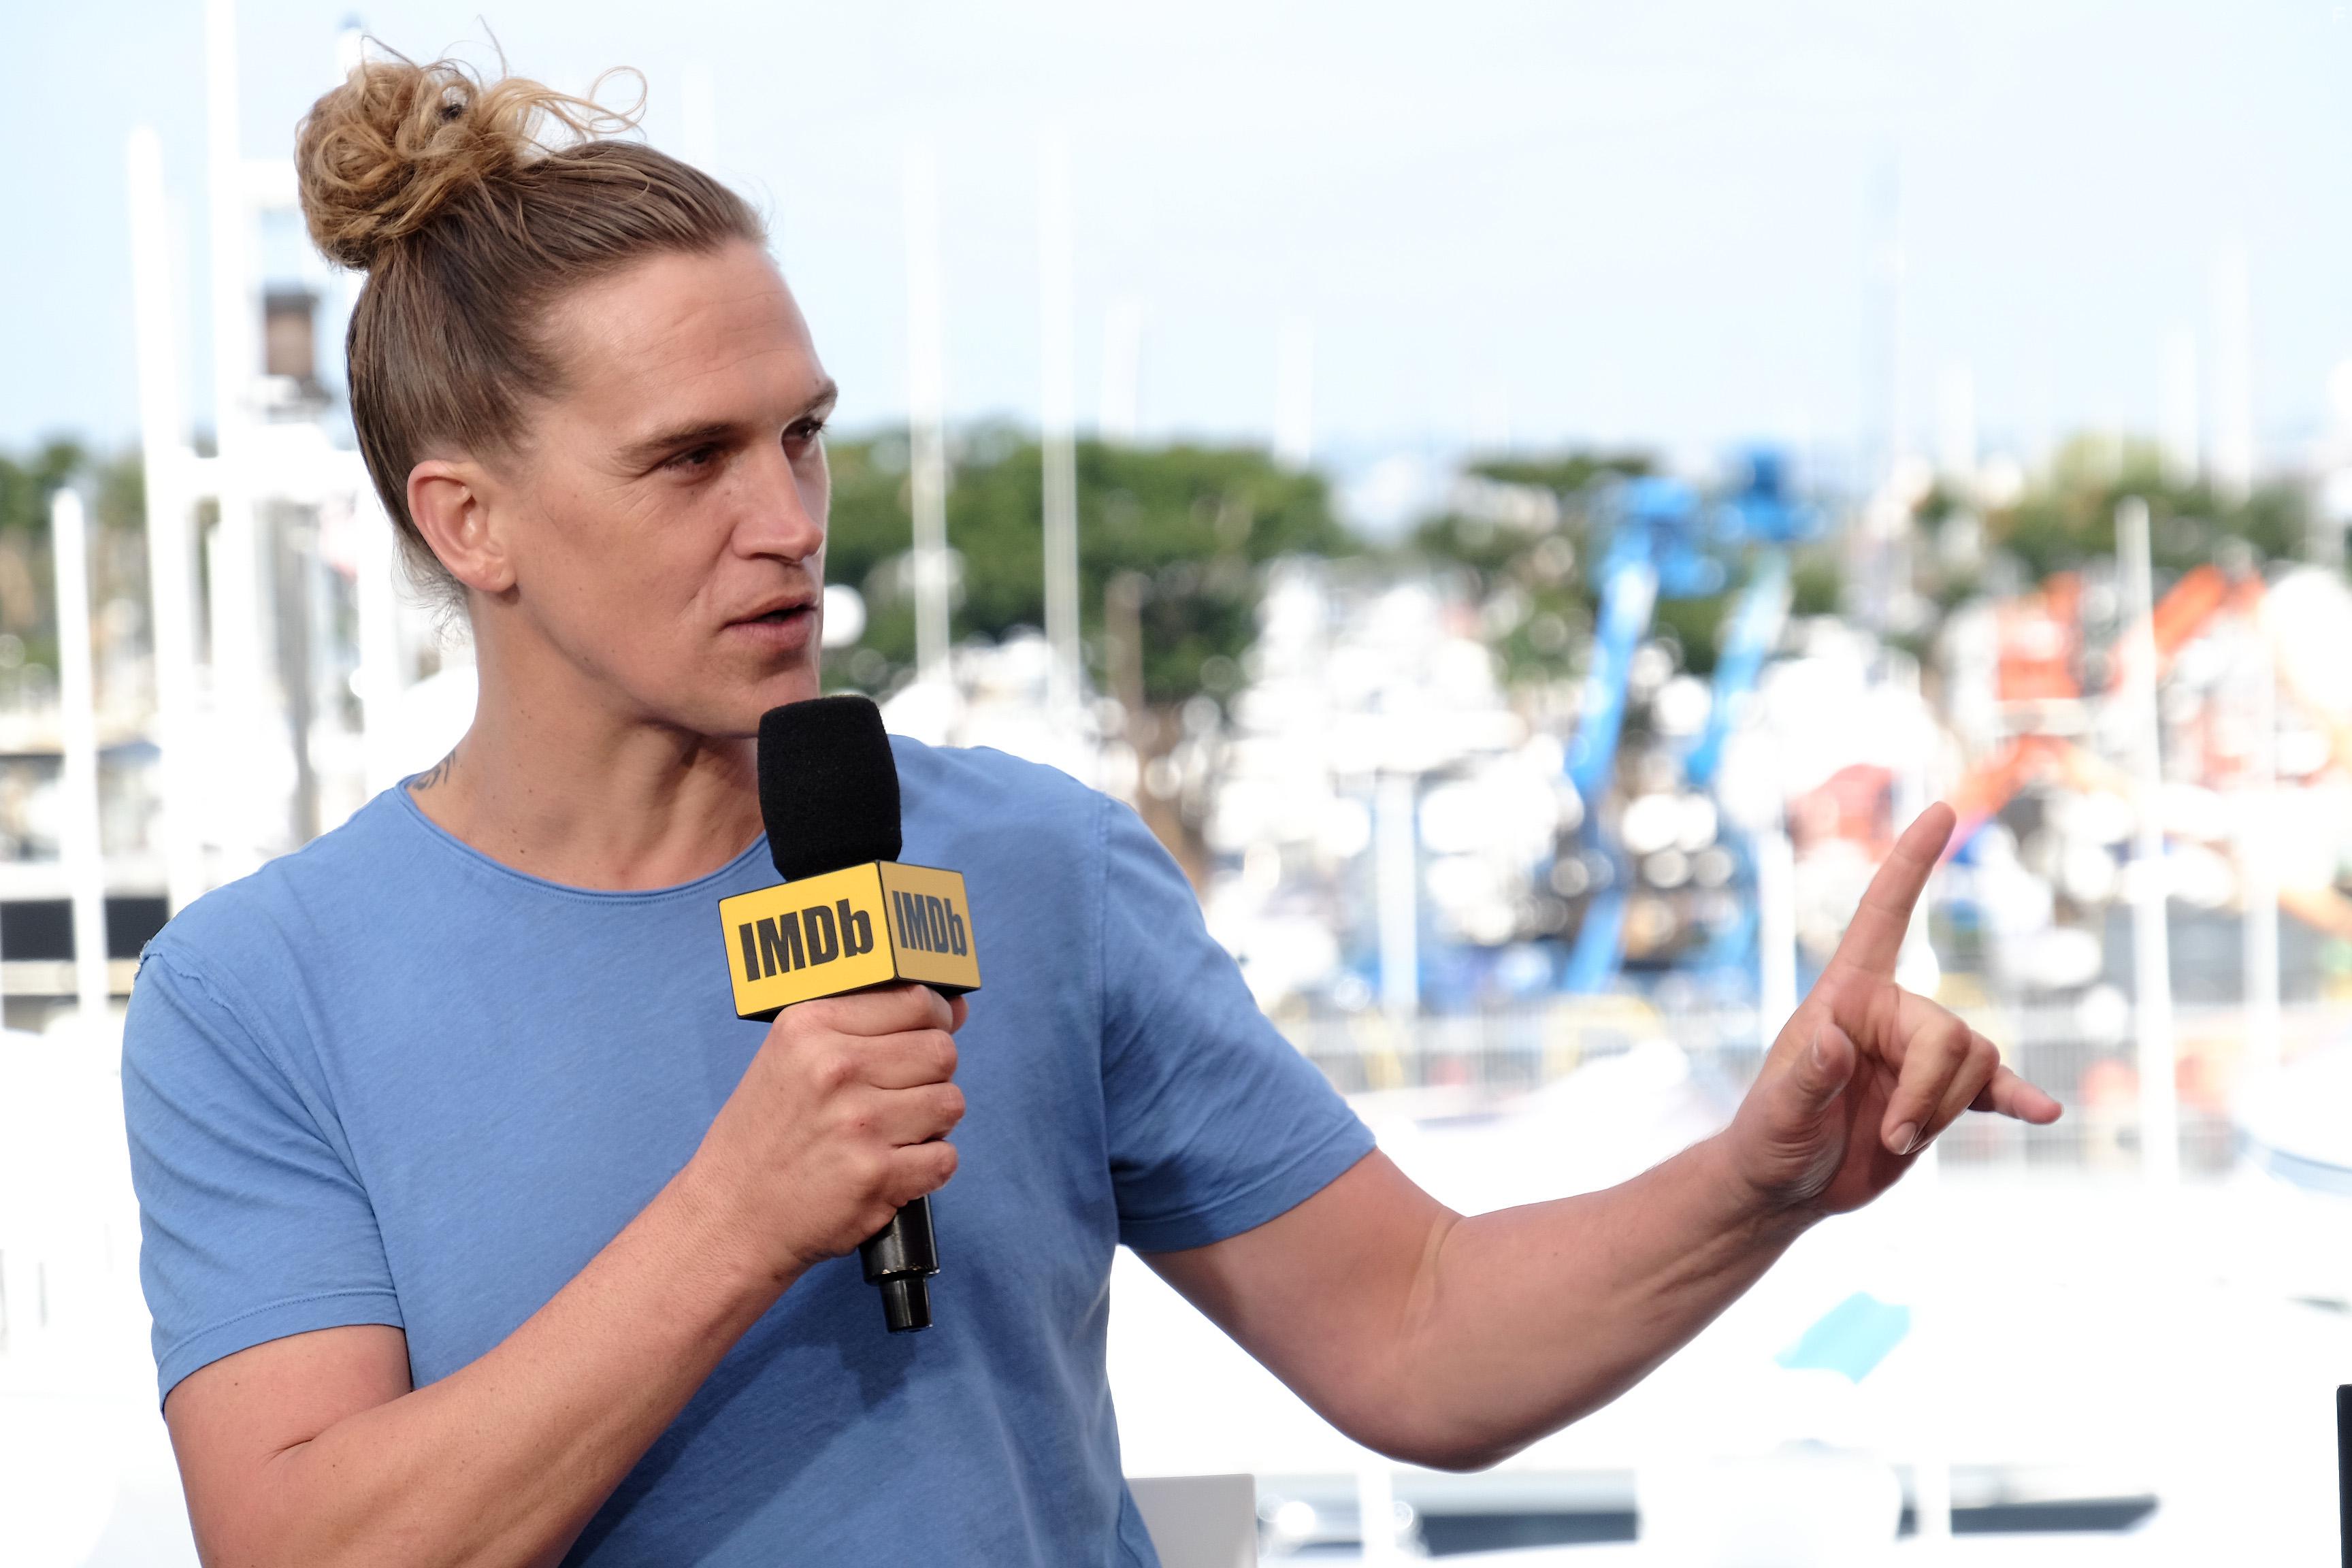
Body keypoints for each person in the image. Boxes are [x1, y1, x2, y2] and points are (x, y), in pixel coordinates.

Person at [122, 51, 2061, 1568]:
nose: (787, 521)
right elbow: (298, 1546)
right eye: (691, 460)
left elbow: (1416, 1333)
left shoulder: (1034, 863)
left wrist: (1762, 1175)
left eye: (804, 436)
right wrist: (739, 1216)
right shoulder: (257, 994)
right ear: (469, 522)